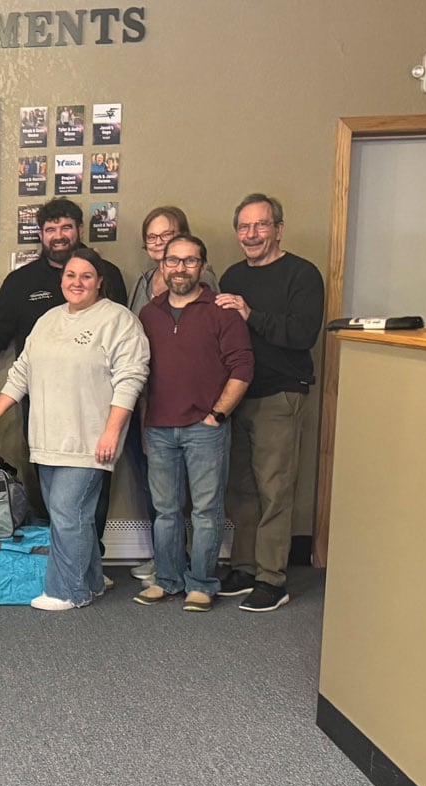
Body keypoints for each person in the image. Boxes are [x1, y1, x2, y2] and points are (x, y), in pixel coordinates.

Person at [0, 248, 148, 610]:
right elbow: (22, 371)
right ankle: (92, 581)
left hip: (90, 440)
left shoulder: (119, 320)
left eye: (86, 276)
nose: (77, 282)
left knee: (68, 515)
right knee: (71, 516)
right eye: (71, 275)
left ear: (100, 281)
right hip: (47, 439)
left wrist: (113, 431)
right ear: (61, 280)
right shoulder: (48, 319)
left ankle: (66, 591)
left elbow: (131, 379)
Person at [0, 198, 128, 540]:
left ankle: (91, 559)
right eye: (51, 230)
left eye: (66, 228)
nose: (59, 236)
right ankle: (58, 556)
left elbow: (124, 341)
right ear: (41, 235)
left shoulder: (109, 277)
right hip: (41, 402)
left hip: (95, 401)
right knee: (47, 484)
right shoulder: (22, 282)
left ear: (79, 230)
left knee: (95, 485)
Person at [215, 194, 326, 612]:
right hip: (237, 395)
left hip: (281, 393)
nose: (252, 234)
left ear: (279, 228)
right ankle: (244, 567)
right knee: (241, 488)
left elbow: (302, 335)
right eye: (244, 227)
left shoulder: (302, 274)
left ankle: (272, 578)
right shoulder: (231, 275)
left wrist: (250, 313)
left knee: (274, 488)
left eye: (261, 225)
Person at [134, 234, 253, 612]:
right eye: (173, 261)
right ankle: (168, 580)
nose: (180, 268)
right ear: (162, 265)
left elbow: (243, 368)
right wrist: (142, 424)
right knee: (166, 511)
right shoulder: (148, 315)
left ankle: (202, 583)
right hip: (158, 427)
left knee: (206, 510)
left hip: (206, 428)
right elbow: (138, 374)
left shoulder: (222, 311)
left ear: (202, 266)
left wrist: (218, 414)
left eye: (189, 261)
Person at [126, 206, 220, 580]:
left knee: (199, 501)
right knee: (160, 494)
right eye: (152, 237)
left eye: (168, 235)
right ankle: (168, 563)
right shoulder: (143, 279)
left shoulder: (202, 279)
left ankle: (197, 573)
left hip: (195, 409)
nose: (160, 243)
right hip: (149, 402)